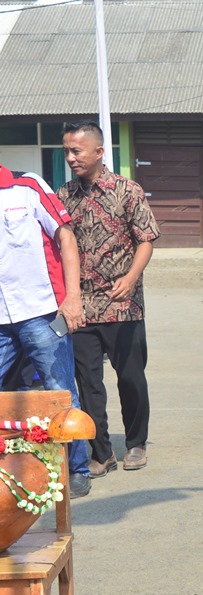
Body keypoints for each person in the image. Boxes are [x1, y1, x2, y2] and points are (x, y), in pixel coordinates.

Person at [59, 120, 159, 476]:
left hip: (123, 304)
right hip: (81, 307)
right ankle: (101, 453)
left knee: (131, 377)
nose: (71, 157)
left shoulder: (127, 190)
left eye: (77, 151)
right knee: (87, 383)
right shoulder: (63, 195)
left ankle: (135, 443)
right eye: (67, 151)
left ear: (99, 152)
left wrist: (131, 278)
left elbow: (146, 239)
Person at [0, 163, 91, 497]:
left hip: (41, 311)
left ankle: (77, 468)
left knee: (59, 390)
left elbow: (66, 237)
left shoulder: (28, 186)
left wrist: (73, 299)